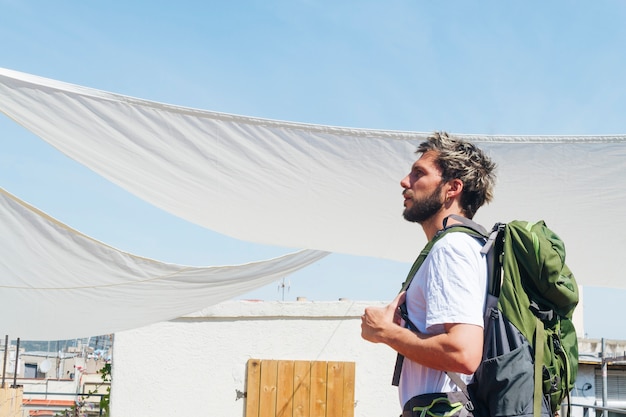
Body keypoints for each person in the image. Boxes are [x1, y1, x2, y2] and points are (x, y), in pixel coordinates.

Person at [361, 131, 497, 416]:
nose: (404, 182)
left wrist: (386, 332)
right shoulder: (471, 246)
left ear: (452, 188)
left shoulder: (452, 247)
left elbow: (463, 352)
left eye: (418, 173)